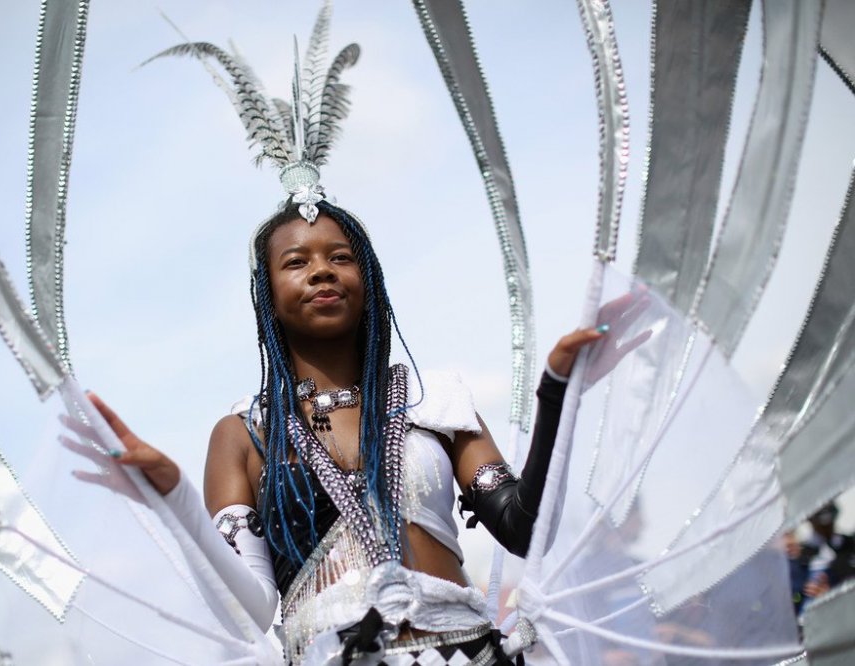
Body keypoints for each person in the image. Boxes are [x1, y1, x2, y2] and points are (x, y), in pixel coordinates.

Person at [85, 198, 606, 664]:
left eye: (340, 257)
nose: (321, 272)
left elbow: (526, 530)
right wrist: (175, 497)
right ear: (267, 294)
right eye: (296, 262)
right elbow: (251, 610)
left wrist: (556, 395)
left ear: (368, 278)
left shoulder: (434, 401)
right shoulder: (246, 434)